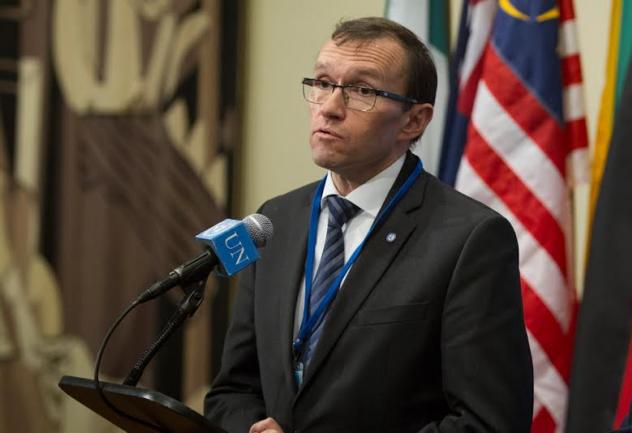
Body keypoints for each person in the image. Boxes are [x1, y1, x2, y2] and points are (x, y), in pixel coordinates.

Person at [204, 17, 533, 433]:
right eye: (323, 83)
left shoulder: (470, 239)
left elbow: (488, 422)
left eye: (362, 91)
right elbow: (233, 391)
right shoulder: (275, 221)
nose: (329, 107)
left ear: (414, 121)